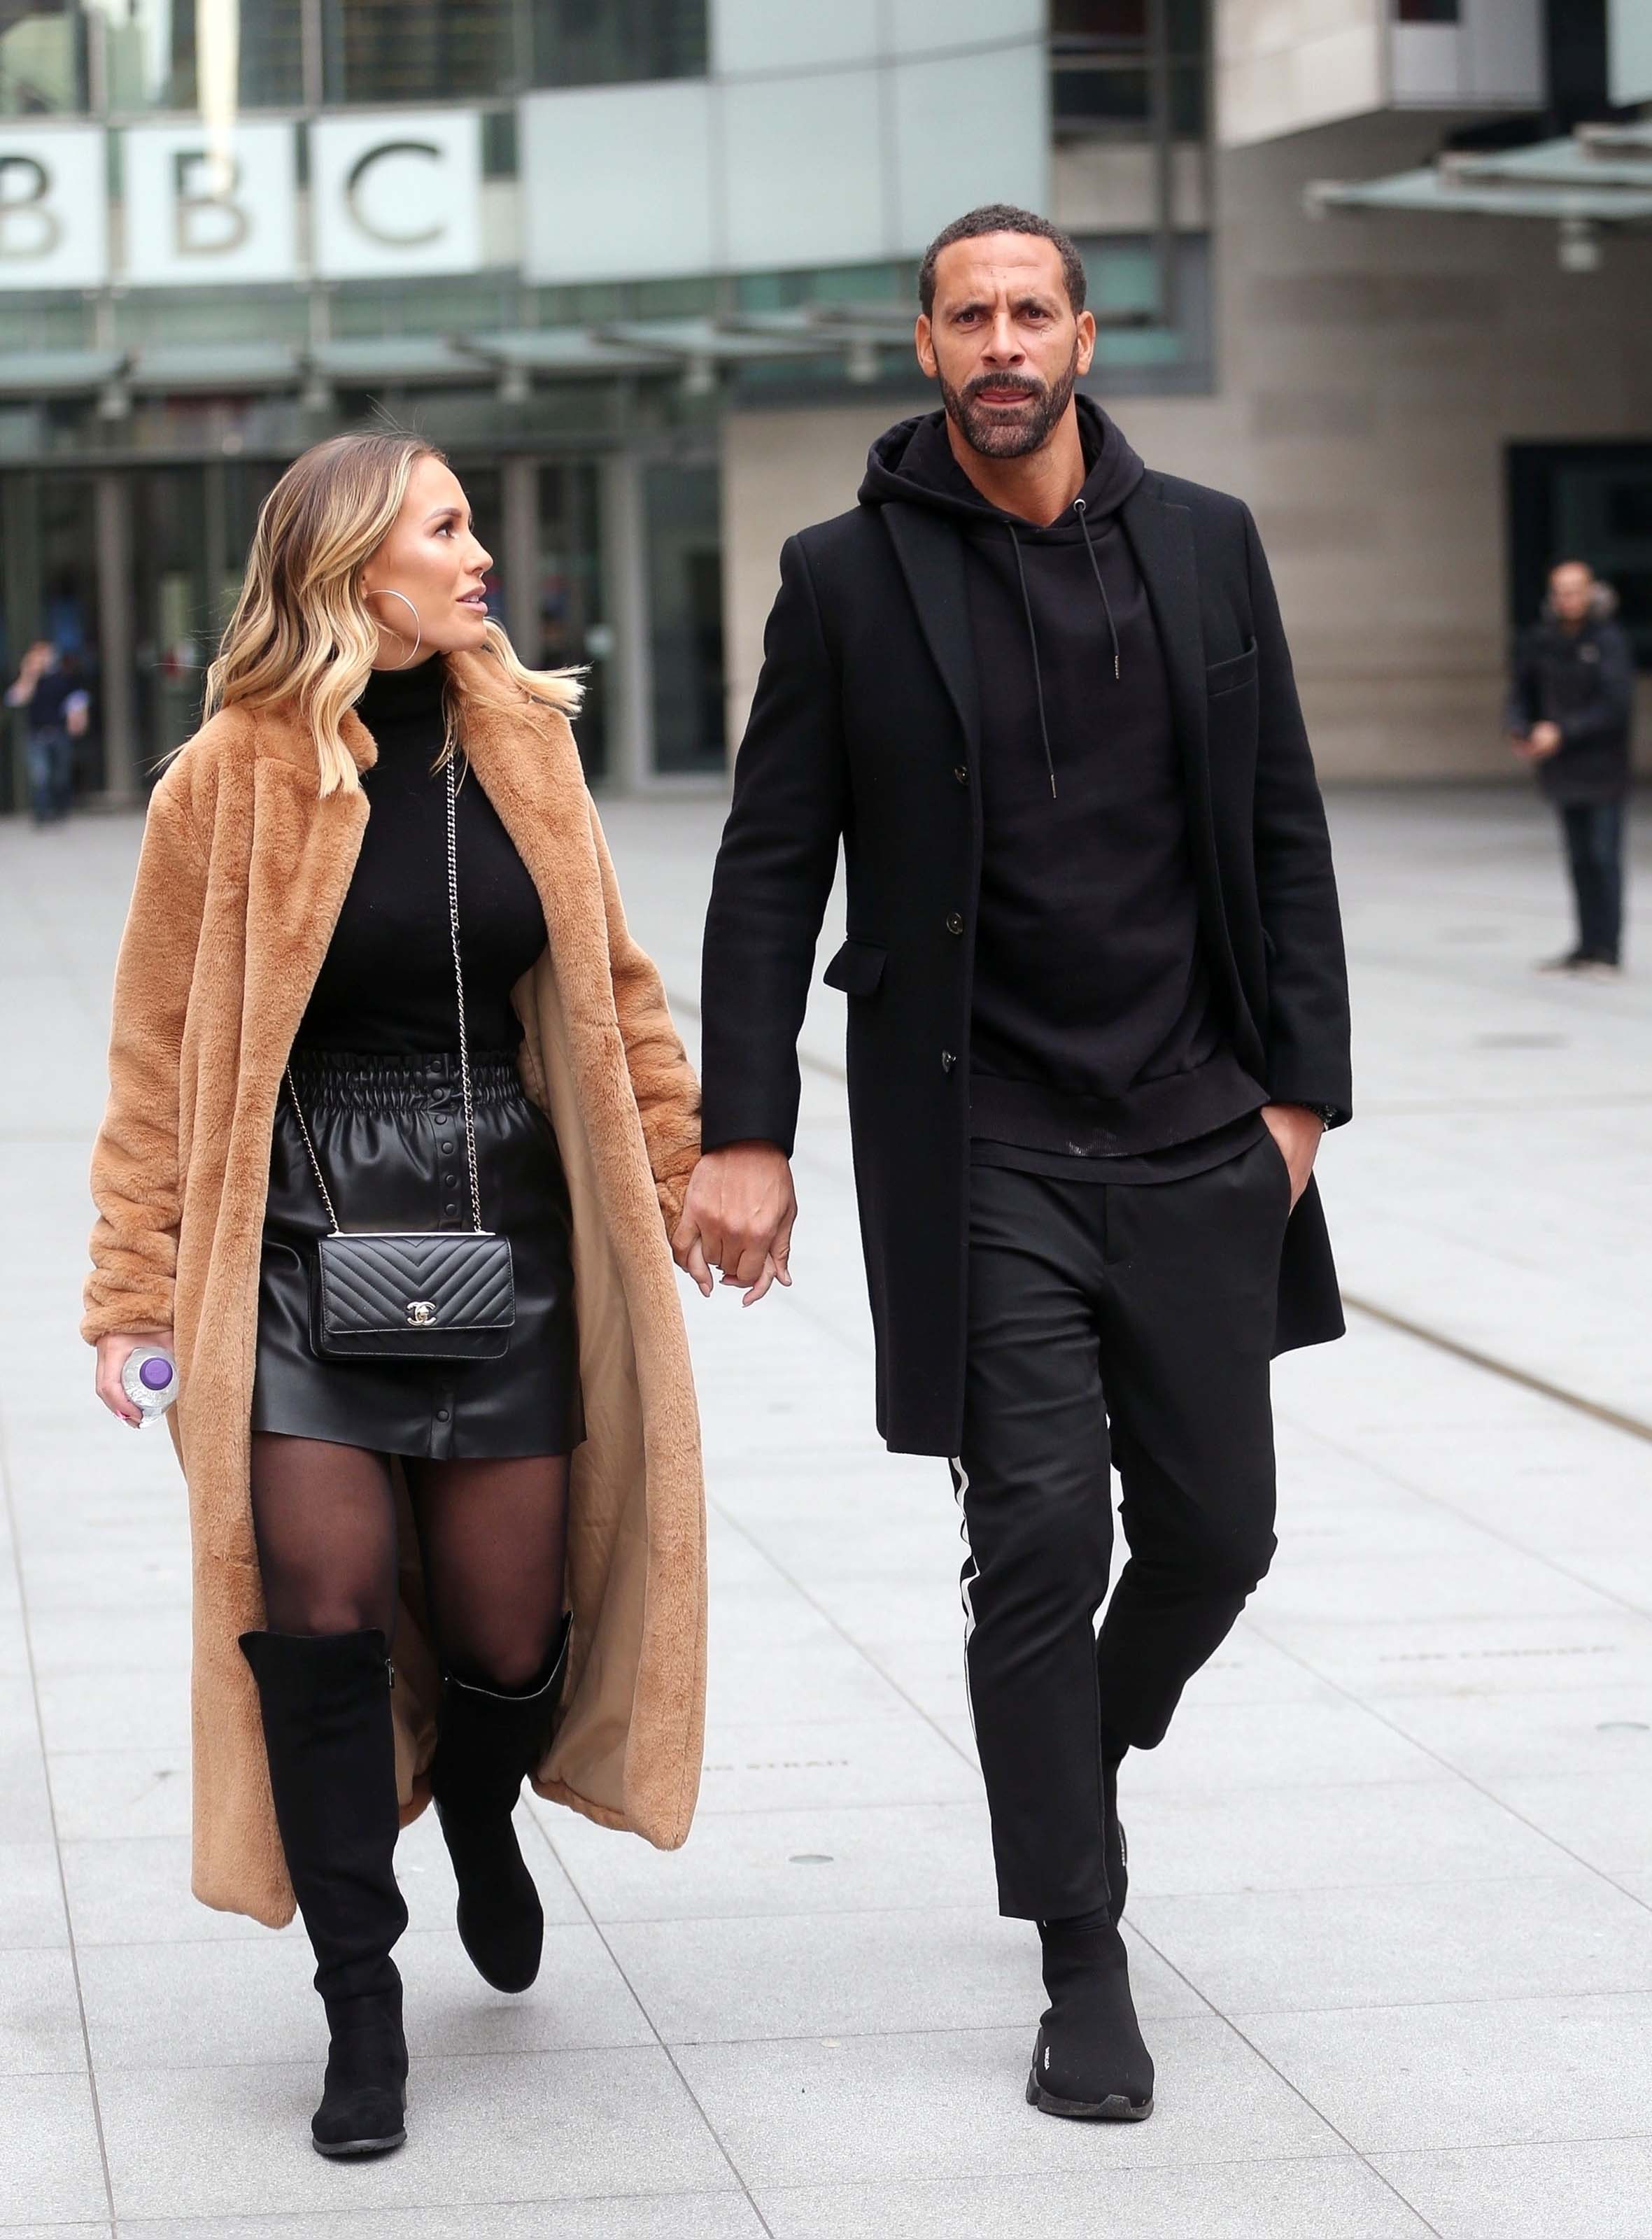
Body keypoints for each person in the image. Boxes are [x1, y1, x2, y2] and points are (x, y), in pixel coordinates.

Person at [678, 206, 1350, 2124]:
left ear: (1081, 337)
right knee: (1041, 1536)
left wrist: (1298, 1105)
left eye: (1029, 311)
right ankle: (1080, 1949)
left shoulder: (1207, 543)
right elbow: (768, 866)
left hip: (1200, 1128)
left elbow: (1283, 826)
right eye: (966, 314)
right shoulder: (844, 578)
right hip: (979, 1142)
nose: (999, 342)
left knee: (1218, 1536)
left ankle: (1075, 1751)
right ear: (923, 346)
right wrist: (745, 1132)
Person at [83, 431, 708, 2161]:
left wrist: (681, 1168)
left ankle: (484, 1804)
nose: (479, 551)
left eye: (470, 523)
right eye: (447, 526)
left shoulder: (525, 744)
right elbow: (153, 1052)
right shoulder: (224, 778)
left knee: (511, 1635)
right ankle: (361, 2005)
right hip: (296, 1232)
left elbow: (615, 988)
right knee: (322, 1613)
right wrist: (133, 1289)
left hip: (502, 1209)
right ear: (359, 566)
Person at [1507, 558, 1635, 977]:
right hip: (1563, 770)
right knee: (1579, 860)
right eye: (1561, 592)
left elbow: (1615, 706)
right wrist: (1520, 728)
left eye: (1576, 591)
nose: (1568, 600)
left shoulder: (1608, 640)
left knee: (1603, 857)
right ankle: (1585, 945)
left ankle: (1607, 949)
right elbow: (1521, 691)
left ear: (1591, 592)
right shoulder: (1542, 639)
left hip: (1604, 770)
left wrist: (1562, 730)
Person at [6, 637, 90, 824]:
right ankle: (41, 815)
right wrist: (29, 675)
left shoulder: (62, 677)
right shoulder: (28, 679)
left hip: (58, 733)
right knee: (40, 776)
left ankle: (61, 811)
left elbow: (77, 700)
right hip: (36, 736)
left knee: (60, 775)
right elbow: (16, 699)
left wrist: (79, 719)